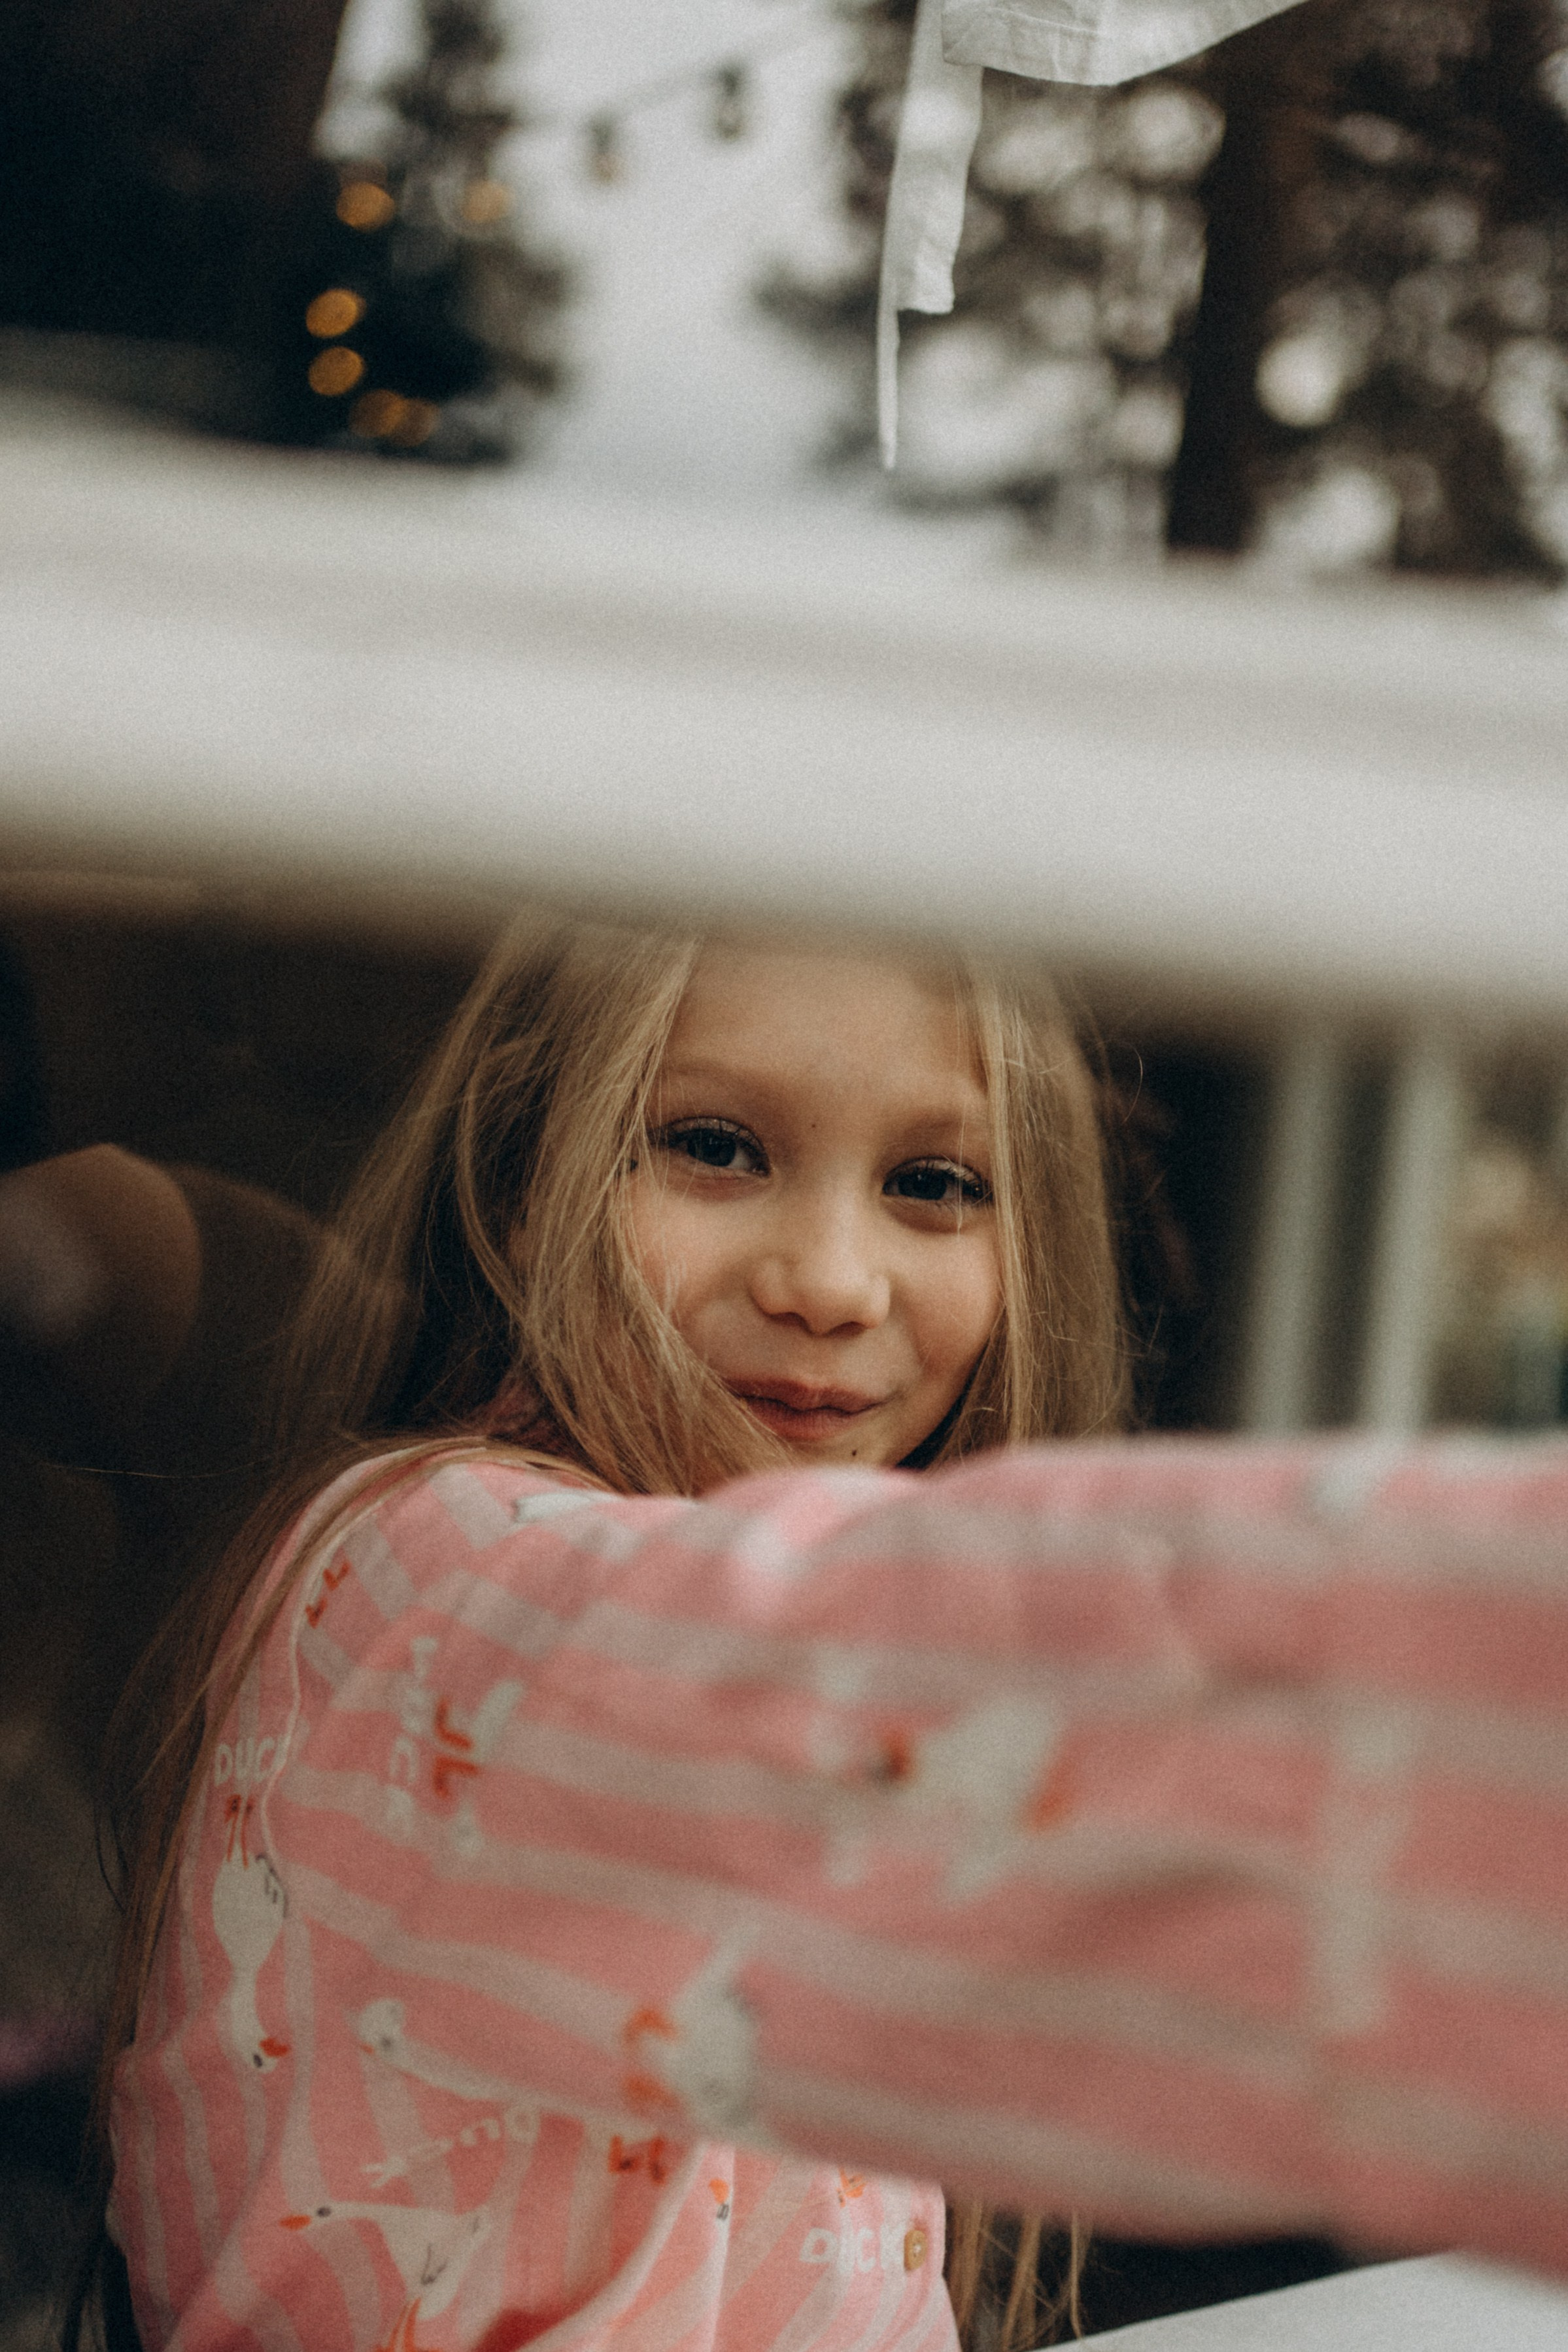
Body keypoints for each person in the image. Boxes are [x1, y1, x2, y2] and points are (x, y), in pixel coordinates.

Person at [80, 911, 1568, 2352]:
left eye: (932, 1181)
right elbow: (827, 1670)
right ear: (527, 1179)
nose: (829, 1282)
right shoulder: (436, 1584)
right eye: (715, 1148)